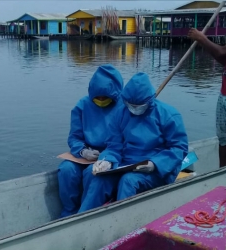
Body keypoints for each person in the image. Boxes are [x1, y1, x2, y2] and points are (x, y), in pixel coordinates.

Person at [78, 72, 188, 213]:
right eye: (131, 104)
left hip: (156, 169)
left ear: (149, 100)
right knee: (94, 174)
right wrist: (107, 160)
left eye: (139, 105)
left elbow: (179, 147)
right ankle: (84, 217)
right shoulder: (121, 113)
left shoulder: (169, 115)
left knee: (128, 181)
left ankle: (122, 223)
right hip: (125, 163)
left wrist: (155, 164)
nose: (135, 108)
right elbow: (114, 145)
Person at [58, 64, 124, 217]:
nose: (101, 100)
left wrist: (107, 158)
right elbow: (74, 137)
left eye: (105, 98)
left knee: (92, 173)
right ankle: (68, 212)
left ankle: (84, 214)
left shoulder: (123, 108)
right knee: (66, 170)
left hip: (111, 156)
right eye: (97, 97)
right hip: (85, 154)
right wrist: (82, 150)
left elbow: (122, 141)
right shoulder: (82, 106)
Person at [188, 28, 226, 167]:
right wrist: (204, 43)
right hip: (225, 96)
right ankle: (221, 171)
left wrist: (202, 39)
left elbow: (221, 52)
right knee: (224, 138)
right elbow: (224, 59)